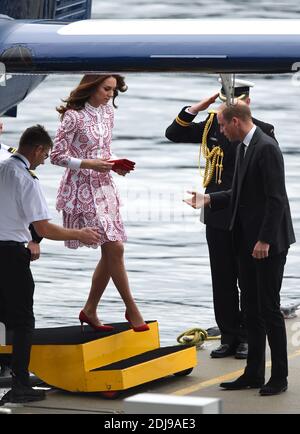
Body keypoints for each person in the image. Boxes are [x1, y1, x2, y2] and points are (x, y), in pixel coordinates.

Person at [184, 101, 295, 396]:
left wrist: (265, 240)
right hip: (247, 240)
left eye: (221, 125)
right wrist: (210, 199)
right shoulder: (246, 146)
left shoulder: (266, 147)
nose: (219, 131)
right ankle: (253, 373)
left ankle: (279, 376)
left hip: (267, 242)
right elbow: (242, 191)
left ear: (235, 121)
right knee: (250, 308)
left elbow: (276, 199)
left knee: (269, 309)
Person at [165, 79, 276, 359]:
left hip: (245, 215)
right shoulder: (213, 126)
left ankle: (250, 337)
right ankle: (229, 336)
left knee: (248, 280)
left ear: (247, 103)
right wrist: (200, 106)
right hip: (216, 212)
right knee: (222, 277)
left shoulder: (262, 132)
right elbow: (174, 133)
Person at [0, 125, 100, 405]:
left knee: (2, 317)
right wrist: (79, 234)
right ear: (38, 149)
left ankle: (6, 370)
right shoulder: (25, 178)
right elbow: (43, 228)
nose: (45, 161)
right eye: (45, 155)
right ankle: (19, 383)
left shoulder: (1, 168)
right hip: (10, 255)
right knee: (22, 322)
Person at [50, 74, 149, 333]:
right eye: (106, 89)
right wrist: (87, 163)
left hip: (105, 187)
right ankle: (132, 308)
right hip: (81, 187)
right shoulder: (73, 116)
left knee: (112, 249)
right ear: (91, 86)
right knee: (114, 247)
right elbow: (56, 157)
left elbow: (104, 150)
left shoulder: (107, 112)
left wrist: (115, 164)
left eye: (114, 91)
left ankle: (90, 309)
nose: (110, 95)